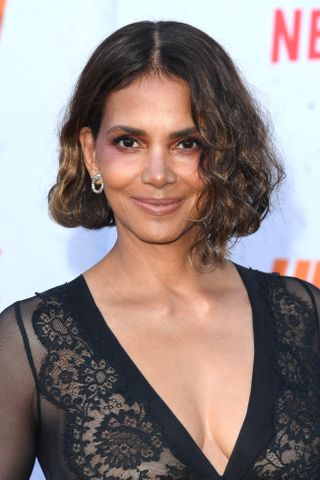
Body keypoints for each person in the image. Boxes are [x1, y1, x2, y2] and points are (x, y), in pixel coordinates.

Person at [0, 20, 319, 480]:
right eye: (128, 142)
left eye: (187, 143)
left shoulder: (305, 317)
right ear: (92, 153)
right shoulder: (31, 345)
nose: (157, 174)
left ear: (224, 152)